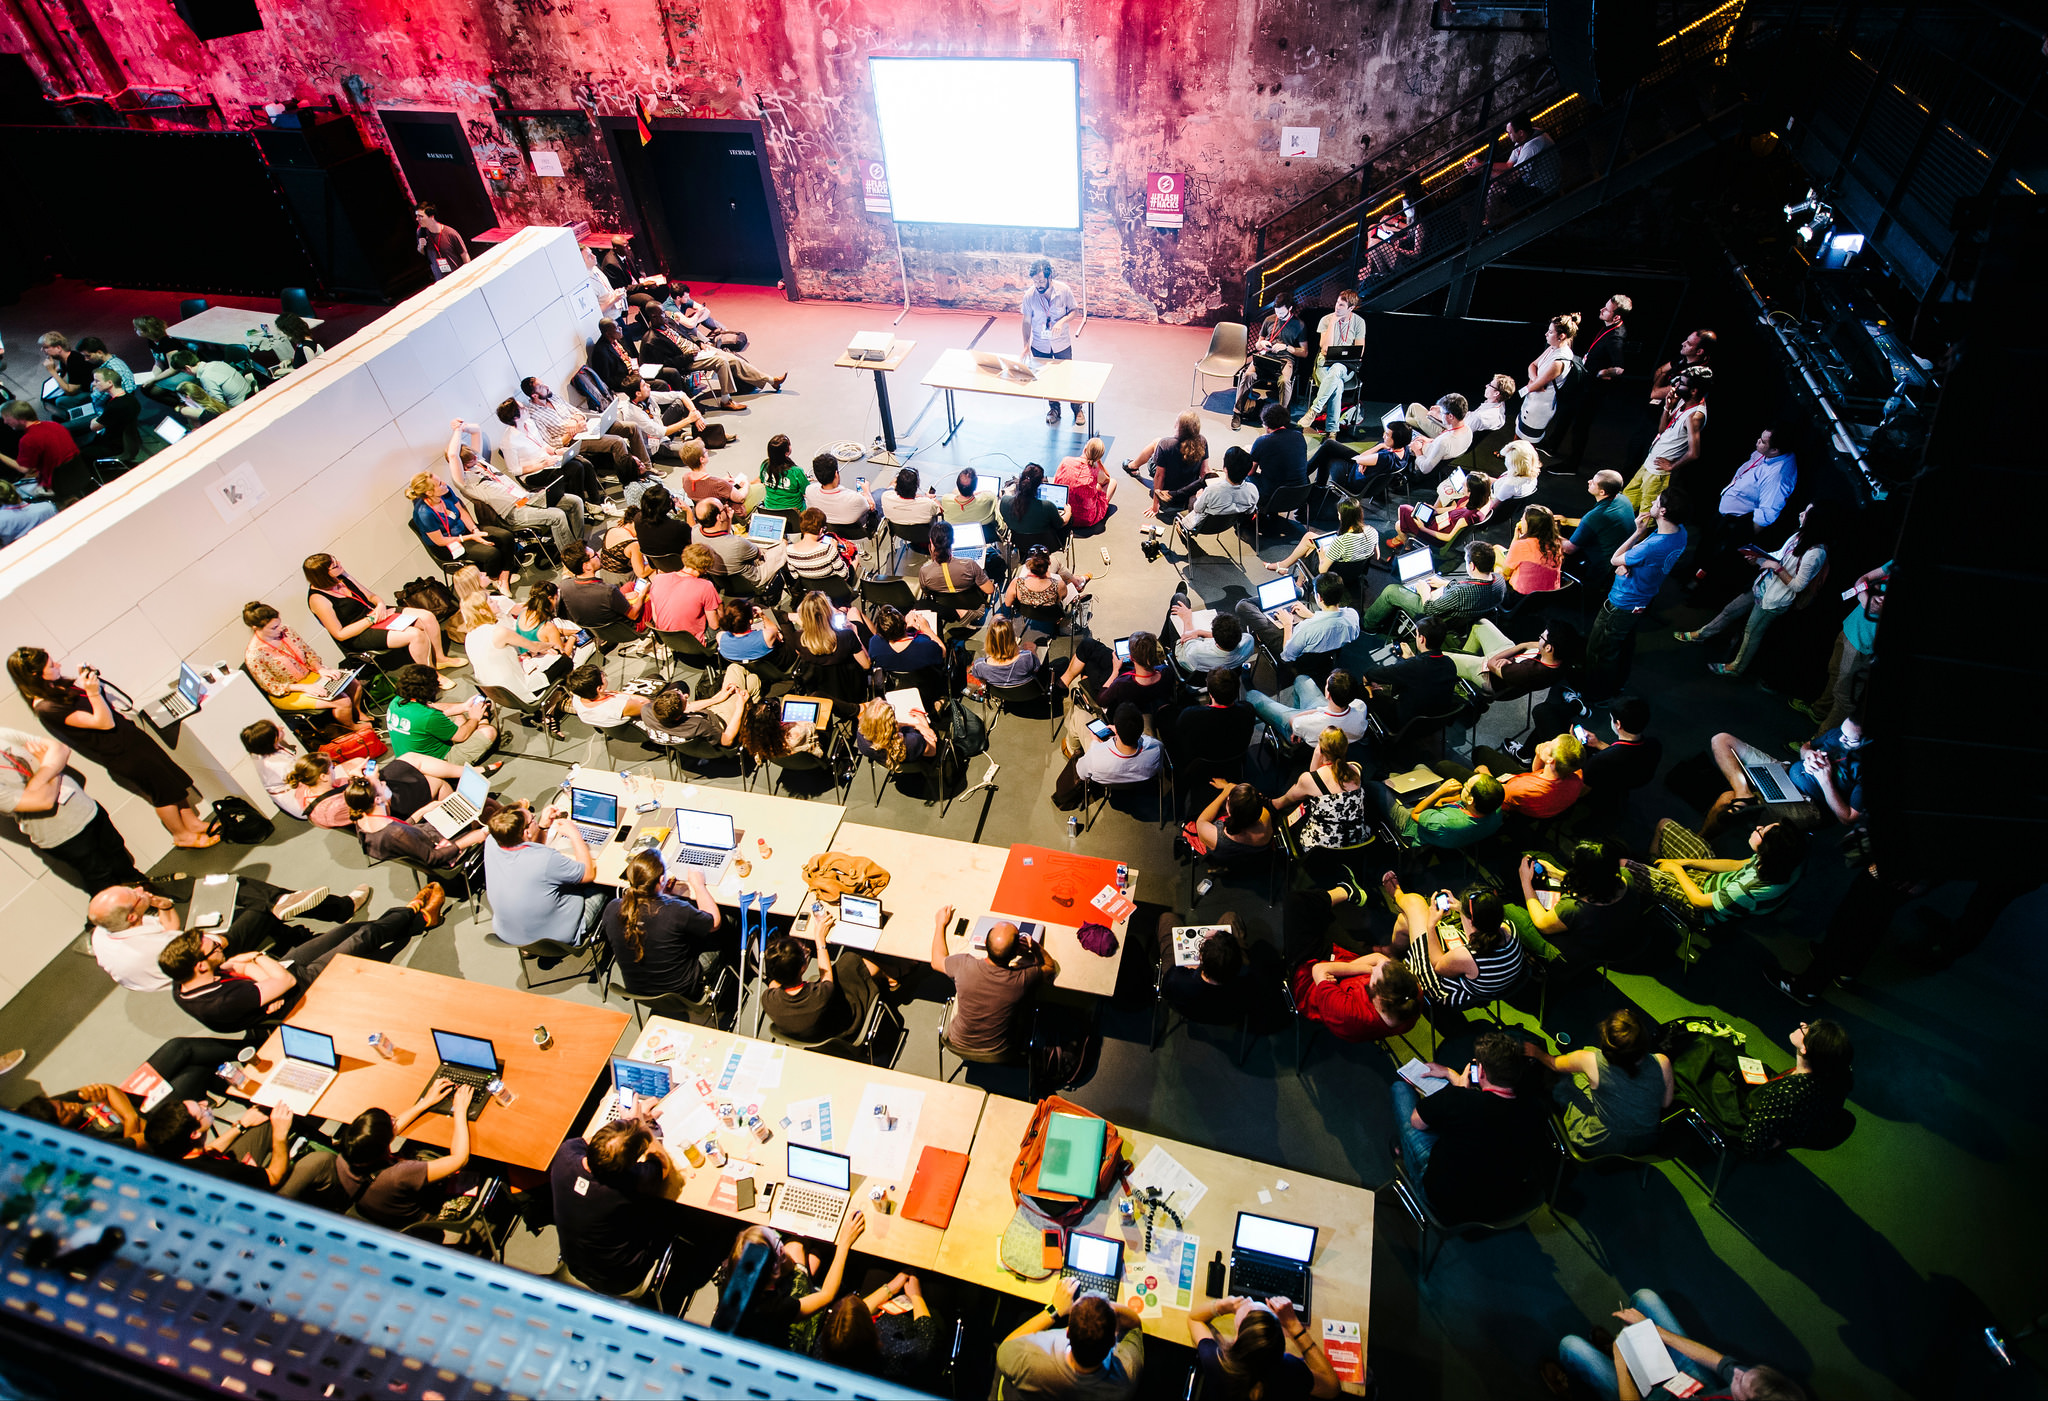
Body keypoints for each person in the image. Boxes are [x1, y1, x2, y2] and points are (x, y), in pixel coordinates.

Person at [161, 885, 444, 1033]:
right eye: (214, 948)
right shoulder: (221, 1001)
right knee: (364, 937)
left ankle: (417, 921)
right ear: (199, 965)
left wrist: (256, 971)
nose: (222, 946)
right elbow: (282, 981)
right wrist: (257, 957)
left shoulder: (183, 982)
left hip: (283, 972)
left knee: (346, 930)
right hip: (300, 989)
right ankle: (413, 913)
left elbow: (261, 975)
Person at [8, 647, 213, 847]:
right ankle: (181, 835)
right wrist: (93, 692)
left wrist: (89, 683)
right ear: (35, 674)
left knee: (170, 779)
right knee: (162, 792)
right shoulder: (47, 708)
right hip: (121, 753)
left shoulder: (58, 688)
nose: (58, 665)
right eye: (51, 665)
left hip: (131, 739)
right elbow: (104, 722)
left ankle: (192, 823)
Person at [1390, 1028, 1551, 1223]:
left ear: (1480, 1071)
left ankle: (1404, 1154)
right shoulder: (1537, 1110)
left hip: (1443, 1200)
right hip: (1500, 1203)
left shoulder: (1459, 1100)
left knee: (1400, 1090)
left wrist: (1457, 1088)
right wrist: (1451, 1075)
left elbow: (1417, 1121)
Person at [88, 877, 362, 991]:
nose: (141, 892)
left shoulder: (105, 929)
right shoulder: (147, 948)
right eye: (135, 897)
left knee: (236, 888)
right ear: (132, 917)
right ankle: (336, 908)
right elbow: (207, 948)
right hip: (205, 968)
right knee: (257, 909)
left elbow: (170, 930)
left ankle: (291, 923)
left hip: (187, 953)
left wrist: (166, 905)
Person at [1551, 1292, 1808, 1401]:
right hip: (1692, 1387)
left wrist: (1621, 1364)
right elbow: (1720, 1362)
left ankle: (1614, 1358)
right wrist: (1656, 1331)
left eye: (1740, 1382)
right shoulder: (1760, 1389)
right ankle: (1624, 1350)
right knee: (1645, 1298)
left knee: (1571, 1347)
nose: (1738, 1373)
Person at [1678, 501, 1836, 676]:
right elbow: (1779, 555)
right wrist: (1758, 559)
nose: (1801, 514)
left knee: (1751, 633)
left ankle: (1736, 668)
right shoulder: (1799, 536)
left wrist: (1776, 568)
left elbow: (1798, 585)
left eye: (1806, 513)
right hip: (1762, 586)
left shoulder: (1816, 553)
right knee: (1730, 610)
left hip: (1774, 601)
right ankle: (1701, 635)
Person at [550, 1115, 692, 1303]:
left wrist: (627, 1127)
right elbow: (662, 1163)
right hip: (623, 1279)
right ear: (629, 1167)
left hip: (576, 1265)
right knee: (676, 1210)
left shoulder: (565, 1153)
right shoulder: (627, 1185)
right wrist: (642, 1128)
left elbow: (592, 1143)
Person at [0, 728, 147, 892]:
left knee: (121, 859)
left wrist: (44, 772)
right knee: (104, 882)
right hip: (62, 834)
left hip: (86, 808)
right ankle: (132, 915)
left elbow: (60, 749)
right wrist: (50, 766)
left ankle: (151, 897)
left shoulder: (2, 734)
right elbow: (45, 801)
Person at [326, 1082, 477, 1227]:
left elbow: (387, 1133)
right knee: (478, 1163)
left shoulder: (347, 1157)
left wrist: (425, 1102)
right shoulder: (400, 1174)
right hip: (424, 1218)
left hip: (388, 1208)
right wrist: (460, 1109)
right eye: (392, 1121)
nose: (395, 1121)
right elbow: (460, 1159)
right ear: (384, 1145)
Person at [1584, 493, 1689, 696]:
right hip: (1643, 598)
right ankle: (1615, 685)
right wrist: (1629, 563)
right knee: (1621, 646)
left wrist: (1637, 532)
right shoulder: (1681, 533)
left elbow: (1615, 559)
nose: (1652, 503)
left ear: (1663, 512)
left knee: (1600, 649)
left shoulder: (1653, 545)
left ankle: (1595, 693)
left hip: (1622, 602)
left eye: (1656, 502)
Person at [1527, 1008, 1672, 1155]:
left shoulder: (1589, 1060)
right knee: (1587, 1060)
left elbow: (1554, 1063)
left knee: (1564, 1081)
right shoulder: (1662, 1062)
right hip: (1646, 1141)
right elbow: (1665, 1103)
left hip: (1603, 1140)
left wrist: (1536, 1052)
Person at [719, 1215, 866, 1352]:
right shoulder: (774, 1308)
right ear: (774, 1274)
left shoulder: (731, 1279)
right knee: (806, 1253)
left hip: (764, 1323)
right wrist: (844, 1243)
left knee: (803, 1250)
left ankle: (815, 1261)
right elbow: (827, 1294)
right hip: (789, 1342)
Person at [1702, 715, 1866, 836]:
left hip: (1810, 804)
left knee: (1726, 800)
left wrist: (1825, 781)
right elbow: (1807, 746)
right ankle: (1743, 792)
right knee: (1721, 740)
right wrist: (1808, 754)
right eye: (1842, 733)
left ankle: (1701, 841)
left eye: (1850, 740)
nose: (1841, 739)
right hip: (1786, 773)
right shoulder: (1840, 733)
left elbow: (1848, 819)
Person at [930, 900, 1055, 1057]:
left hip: (956, 1044)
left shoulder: (963, 964)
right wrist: (1035, 948)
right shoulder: (1022, 979)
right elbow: (1050, 967)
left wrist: (940, 924)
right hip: (1000, 1051)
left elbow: (936, 961)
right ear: (1016, 951)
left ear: (985, 943)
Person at [1384, 874, 1527, 1010]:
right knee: (1405, 920)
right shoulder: (1508, 928)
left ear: (1472, 921)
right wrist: (1460, 907)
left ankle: (1397, 896)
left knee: (1415, 904)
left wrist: (1431, 925)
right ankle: (1391, 951)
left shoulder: (1468, 956)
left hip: (1445, 988)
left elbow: (1437, 964)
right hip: (1494, 984)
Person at [447, 419, 586, 556]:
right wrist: (457, 431)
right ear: (464, 466)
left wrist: (463, 426)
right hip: (513, 511)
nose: (477, 460)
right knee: (557, 516)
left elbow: (476, 429)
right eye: (472, 461)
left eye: (476, 457)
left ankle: (577, 547)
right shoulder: (465, 481)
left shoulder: (480, 463)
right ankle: (571, 559)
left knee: (574, 501)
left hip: (527, 498)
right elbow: (453, 455)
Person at [1510, 842, 1656, 971]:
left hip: (1578, 954)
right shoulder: (1625, 876)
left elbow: (1542, 924)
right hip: (1620, 937)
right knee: (1546, 859)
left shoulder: (1574, 908)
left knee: (1508, 908)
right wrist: (1558, 874)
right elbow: (1596, 884)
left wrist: (1525, 881)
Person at [600, 849, 721, 1003]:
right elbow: (714, 922)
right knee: (728, 923)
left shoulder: (612, 908)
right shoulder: (675, 911)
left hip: (638, 992)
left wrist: (662, 895)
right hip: (681, 992)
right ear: (662, 879)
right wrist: (698, 885)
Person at [303, 552, 458, 669]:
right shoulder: (318, 599)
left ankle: (441, 659)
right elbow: (340, 634)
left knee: (427, 617)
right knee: (415, 634)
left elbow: (371, 596)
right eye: (335, 565)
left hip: (374, 613)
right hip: (359, 632)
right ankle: (431, 675)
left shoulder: (341, 576)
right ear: (324, 575)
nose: (340, 564)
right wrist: (371, 619)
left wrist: (380, 606)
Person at [997, 1278, 1145, 1399]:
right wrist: (1105, 1308)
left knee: (1024, 1314)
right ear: (1113, 1341)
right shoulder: (1125, 1377)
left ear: (1067, 1333)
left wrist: (1054, 1309)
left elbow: (1004, 1348)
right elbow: (1134, 1326)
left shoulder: (1028, 1358)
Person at [482, 801, 605, 948]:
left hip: (510, 935)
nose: (535, 818)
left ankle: (529, 950)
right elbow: (587, 873)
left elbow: (530, 848)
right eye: (532, 819)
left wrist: (542, 827)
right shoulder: (545, 859)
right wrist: (575, 835)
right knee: (602, 884)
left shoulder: (492, 841)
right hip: (557, 937)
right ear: (526, 832)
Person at [763, 909, 890, 1043]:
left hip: (815, 1031)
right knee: (851, 961)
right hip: (844, 1027)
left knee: (846, 967)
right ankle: (891, 975)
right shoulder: (820, 995)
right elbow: (826, 974)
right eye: (804, 953)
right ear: (802, 968)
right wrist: (820, 939)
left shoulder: (768, 1000)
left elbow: (774, 983)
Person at [1793, 559, 1888, 737]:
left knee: (1844, 697)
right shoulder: (1898, 563)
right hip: (1851, 628)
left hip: (1864, 644)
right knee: (1834, 671)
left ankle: (1818, 744)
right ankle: (1819, 711)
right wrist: (1864, 597)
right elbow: (1864, 578)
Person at [242, 602, 371, 732]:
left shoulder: (287, 630)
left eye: (279, 623)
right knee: (342, 701)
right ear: (256, 628)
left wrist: (320, 669)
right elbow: (271, 686)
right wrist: (304, 688)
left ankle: (357, 712)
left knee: (353, 683)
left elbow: (308, 653)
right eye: (274, 628)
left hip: (309, 675)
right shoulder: (254, 654)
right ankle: (352, 728)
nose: (280, 628)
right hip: (288, 691)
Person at [1652, 820, 1809, 926]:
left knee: (1627, 865)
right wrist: (1688, 862)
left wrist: (1676, 869)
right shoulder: (1786, 861)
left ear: (1767, 850)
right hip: (1718, 882)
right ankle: (1650, 862)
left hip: (1703, 907)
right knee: (1664, 824)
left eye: (1761, 832)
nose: (1757, 827)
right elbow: (1737, 865)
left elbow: (1698, 901)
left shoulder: (1746, 890)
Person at [1187, 1294, 1340, 1400]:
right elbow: (1332, 1388)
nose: (1250, 1300)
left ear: (1235, 1341)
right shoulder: (1292, 1370)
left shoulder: (1218, 1361)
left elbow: (1194, 1319)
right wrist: (1293, 1325)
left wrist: (1221, 1306)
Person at [1740, 1019, 1852, 1154]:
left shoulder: (1788, 1093)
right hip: (1790, 1120)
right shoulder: (1834, 1077)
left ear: (1805, 1048)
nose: (1803, 1024)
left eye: (1806, 1029)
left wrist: (1779, 1142)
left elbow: (1751, 1140)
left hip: (1748, 1125)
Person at [1359, 540, 1504, 642]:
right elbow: (1468, 587)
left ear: (1472, 566)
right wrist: (1446, 583)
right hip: (1462, 613)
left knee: (1391, 591)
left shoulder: (1460, 593)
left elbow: (1430, 610)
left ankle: (1368, 625)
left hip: (1440, 616)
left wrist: (1424, 591)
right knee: (1432, 583)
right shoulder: (1499, 580)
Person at [144, 1097, 296, 1191]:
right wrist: (280, 1134)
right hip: (262, 1209)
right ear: (195, 1133)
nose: (205, 1103)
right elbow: (274, 1177)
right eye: (201, 1109)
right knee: (316, 1163)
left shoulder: (172, 1153)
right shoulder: (219, 1172)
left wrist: (241, 1125)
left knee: (265, 1122)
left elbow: (208, 1151)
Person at [813, 1276, 942, 1386]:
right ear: (869, 1327)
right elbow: (926, 1339)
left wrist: (889, 1288)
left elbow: (851, 1320)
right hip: (911, 1326)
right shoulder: (889, 1355)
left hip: (891, 1316)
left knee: (876, 1275)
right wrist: (916, 1296)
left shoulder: (823, 1347)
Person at [1292, 942, 1423, 1044]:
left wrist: (1360, 968)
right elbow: (1379, 958)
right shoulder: (1411, 994)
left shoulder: (1348, 1012)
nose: (1374, 969)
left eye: (1374, 974)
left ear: (1375, 990)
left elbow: (1318, 969)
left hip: (1311, 985)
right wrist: (1362, 969)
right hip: (1339, 969)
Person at [1621, 366, 1710, 514]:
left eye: (1681, 384)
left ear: (1694, 391)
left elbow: (1694, 453)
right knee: (1626, 503)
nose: (1676, 386)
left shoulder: (1695, 416)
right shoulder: (1683, 401)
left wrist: (1671, 466)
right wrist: (1668, 407)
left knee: (1646, 516)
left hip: (1658, 474)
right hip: (1649, 463)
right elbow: (1662, 430)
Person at [1557, 295, 1630, 470]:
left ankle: (1572, 465)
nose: (1601, 310)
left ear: (1617, 317)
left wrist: (1603, 372)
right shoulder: (1608, 327)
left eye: (1606, 309)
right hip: (1585, 384)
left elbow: (1620, 368)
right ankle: (1552, 445)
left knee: (1580, 426)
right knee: (1567, 412)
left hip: (1593, 391)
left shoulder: (1616, 337)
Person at [406, 472, 514, 587]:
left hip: (464, 531)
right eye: (439, 484)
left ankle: (504, 576)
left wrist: (474, 530)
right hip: (447, 545)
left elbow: (461, 512)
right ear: (429, 492)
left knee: (505, 536)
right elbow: (440, 541)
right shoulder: (424, 513)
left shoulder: (445, 492)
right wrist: (472, 537)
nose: (444, 483)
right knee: (492, 553)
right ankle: (493, 579)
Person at [1270, 729, 1368, 853]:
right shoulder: (1356, 770)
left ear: (1321, 749)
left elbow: (1290, 798)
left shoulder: (1310, 780)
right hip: (1356, 843)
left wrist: (1316, 756)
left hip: (1320, 851)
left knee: (1288, 808)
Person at [1052, 703, 1162, 810]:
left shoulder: (1095, 755)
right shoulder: (1156, 748)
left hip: (1103, 775)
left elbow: (1081, 774)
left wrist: (1095, 742)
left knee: (1079, 715)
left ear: (1117, 730)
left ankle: (1070, 748)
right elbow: (1146, 740)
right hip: (1139, 783)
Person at [387, 663, 498, 764]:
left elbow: (429, 710)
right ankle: (484, 720)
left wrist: (464, 707)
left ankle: (476, 719)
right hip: (438, 763)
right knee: (489, 732)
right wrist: (475, 718)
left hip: (409, 761)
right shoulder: (428, 716)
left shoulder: (396, 702)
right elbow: (461, 736)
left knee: (456, 713)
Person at [1021, 257, 1087, 424]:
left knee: (1067, 376)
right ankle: (1054, 409)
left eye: (1041, 280)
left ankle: (1077, 409)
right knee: (1047, 378)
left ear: (1050, 277)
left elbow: (1074, 311)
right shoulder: (1029, 296)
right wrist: (1025, 345)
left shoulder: (1063, 290)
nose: (1038, 284)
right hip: (1040, 345)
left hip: (1061, 343)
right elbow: (1026, 322)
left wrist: (1062, 321)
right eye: (1035, 281)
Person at [1359, 617, 1459, 726]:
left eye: (1416, 634)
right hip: (1436, 721)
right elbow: (1425, 673)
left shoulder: (1412, 666)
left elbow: (1370, 673)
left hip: (1407, 722)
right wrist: (1412, 657)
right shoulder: (1450, 664)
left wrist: (1366, 681)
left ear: (1421, 639)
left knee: (1362, 690)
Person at [1369, 771, 1505, 850]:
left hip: (1413, 828)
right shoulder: (1495, 807)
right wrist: (1443, 799)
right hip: (1448, 828)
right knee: (1420, 769)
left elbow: (1416, 814)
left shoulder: (1444, 821)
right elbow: (1459, 802)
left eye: (1466, 787)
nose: (1463, 785)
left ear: (1471, 800)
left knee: (1375, 787)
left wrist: (1439, 793)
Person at [1233, 290, 1308, 429]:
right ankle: (1237, 412)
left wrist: (1286, 347)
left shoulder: (1299, 325)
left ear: (1290, 308)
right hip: (1265, 356)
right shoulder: (1269, 320)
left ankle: (1282, 419)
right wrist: (1261, 344)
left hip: (1285, 360)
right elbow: (1257, 343)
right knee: (1248, 375)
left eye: (1281, 313)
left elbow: (1304, 352)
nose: (1278, 316)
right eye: (1276, 312)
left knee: (1285, 381)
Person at [1248, 667, 1367, 747]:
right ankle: (1297, 711)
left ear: (1328, 694)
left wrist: (1311, 713)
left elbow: (1293, 720)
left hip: (1303, 729)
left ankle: (1283, 737)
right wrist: (1319, 710)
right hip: (1321, 715)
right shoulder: (1361, 706)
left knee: (1253, 696)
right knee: (1301, 679)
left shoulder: (1309, 722)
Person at [1559, 468, 1634, 594]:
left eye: (1593, 482)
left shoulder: (1596, 516)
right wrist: (1567, 521)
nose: (1589, 481)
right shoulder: (1622, 499)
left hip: (1600, 563)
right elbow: (1592, 524)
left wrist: (1549, 531)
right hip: (1620, 553)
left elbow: (1569, 549)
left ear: (1602, 492)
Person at [1303, 288, 1367, 432]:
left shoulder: (1359, 322)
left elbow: (1359, 351)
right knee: (1336, 385)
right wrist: (1333, 323)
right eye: (1337, 303)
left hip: (1346, 367)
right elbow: (1325, 348)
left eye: (1341, 305)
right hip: (1324, 364)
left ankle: (1315, 409)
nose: (1337, 307)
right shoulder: (1326, 320)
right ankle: (1332, 431)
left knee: (1337, 369)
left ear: (1350, 308)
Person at [1123, 410, 1209, 517]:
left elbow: (1160, 476)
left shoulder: (1166, 444)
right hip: (1188, 492)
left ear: (1179, 426)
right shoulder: (1202, 441)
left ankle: (1132, 466)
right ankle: (1133, 466)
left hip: (1168, 494)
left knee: (1156, 442)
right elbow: (1205, 472)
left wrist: (1155, 505)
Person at [1466, 111, 1560, 207]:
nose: (1507, 136)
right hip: (1530, 184)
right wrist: (1482, 164)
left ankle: (1490, 220)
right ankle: (1488, 220)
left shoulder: (1532, 145)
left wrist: (1483, 170)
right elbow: (1508, 165)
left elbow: (1512, 179)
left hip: (1543, 191)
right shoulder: (1525, 136)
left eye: (1509, 133)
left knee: (1495, 189)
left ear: (1520, 133)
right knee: (1494, 186)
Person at [1265, 501, 1378, 580]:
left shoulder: (1341, 542)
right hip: (1355, 572)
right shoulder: (1372, 531)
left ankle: (1297, 581)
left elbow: (1322, 570)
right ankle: (1284, 566)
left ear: (1344, 517)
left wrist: (1322, 556)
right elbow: (1376, 556)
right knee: (1310, 537)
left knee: (1308, 549)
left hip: (1337, 574)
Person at [1515, 313, 1579, 445]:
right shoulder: (1552, 348)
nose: (1546, 334)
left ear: (1561, 336)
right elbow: (1532, 365)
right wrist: (1535, 379)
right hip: (1531, 401)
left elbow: (1536, 386)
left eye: (1550, 332)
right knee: (1519, 431)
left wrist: (1528, 387)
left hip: (1539, 408)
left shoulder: (1559, 361)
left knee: (1526, 443)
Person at [1309, 418, 1413, 498]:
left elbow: (1360, 458)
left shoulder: (1386, 458)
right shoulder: (1405, 449)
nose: (1383, 436)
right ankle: (1318, 485)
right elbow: (1364, 459)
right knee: (1330, 444)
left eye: (1387, 435)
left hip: (1351, 481)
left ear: (1397, 439)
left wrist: (1379, 447)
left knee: (1327, 454)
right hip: (1366, 477)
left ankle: (1316, 486)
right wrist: (1365, 461)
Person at [0, 400, 83, 500]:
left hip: (57, 485)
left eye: (7, 418)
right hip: (79, 473)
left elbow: (25, 469)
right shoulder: (54, 425)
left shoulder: (28, 440)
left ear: (19, 419)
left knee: (12, 494)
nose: (5, 422)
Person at [559, 540, 648, 631]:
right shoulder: (608, 591)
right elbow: (634, 615)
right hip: (627, 629)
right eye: (594, 555)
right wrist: (642, 595)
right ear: (586, 566)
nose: (598, 554)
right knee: (652, 594)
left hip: (599, 627)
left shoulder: (564, 586)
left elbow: (596, 601)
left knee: (629, 585)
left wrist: (623, 597)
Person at [1175, 445, 1259, 537]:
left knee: (1192, 498)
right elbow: (1250, 511)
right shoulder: (1253, 490)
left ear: (1225, 469)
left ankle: (1183, 526)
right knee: (1210, 476)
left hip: (1203, 527)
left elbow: (1197, 509)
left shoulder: (1212, 491)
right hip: (1228, 523)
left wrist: (1199, 497)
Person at [1396, 471, 1493, 546]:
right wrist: (1436, 510)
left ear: (1470, 492)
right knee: (1404, 510)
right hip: (1440, 522)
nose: (1461, 487)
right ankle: (1406, 533)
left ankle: (1408, 546)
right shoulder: (1484, 499)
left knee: (1399, 522)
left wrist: (1423, 528)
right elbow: (1456, 508)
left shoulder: (1468, 516)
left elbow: (1448, 537)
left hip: (1436, 535)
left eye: (1464, 486)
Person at [1166, 598, 1256, 675]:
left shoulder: (1197, 651)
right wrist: (1200, 632)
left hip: (1188, 666)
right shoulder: (1249, 640)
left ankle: (1164, 644)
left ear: (1214, 638)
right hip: (1226, 671)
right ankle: (1163, 641)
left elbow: (1188, 636)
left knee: (1179, 599)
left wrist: (1187, 618)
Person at [1188, 779, 1274, 856]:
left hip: (1225, 863)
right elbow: (1247, 804)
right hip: (1251, 864)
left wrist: (1225, 792)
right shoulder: (1265, 817)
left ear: (1228, 810)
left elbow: (1201, 821)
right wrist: (1229, 788)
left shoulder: (1217, 838)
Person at [1248, 401, 1310, 507]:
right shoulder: (1299, 436)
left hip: (1273, 498)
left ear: (1266, 425)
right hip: (1300, 495)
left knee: (1245, 479)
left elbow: (1250, 471)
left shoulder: (1262, 441)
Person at [1000, 462, 1071, 548]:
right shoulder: (1048, 506)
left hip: (1018, 544)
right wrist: (1068, 512)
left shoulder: (1004, 501)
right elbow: (1061, 523)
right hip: (1045, 546)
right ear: (1040, 484)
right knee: (1070, 519)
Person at [84, 367, 142, 466]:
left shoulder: (114, 406)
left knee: (82, 452)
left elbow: (93, 427)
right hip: (130, 441)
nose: (94, 384)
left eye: (97, 381)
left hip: (114, 446)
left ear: (110, 383)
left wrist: (96, 419)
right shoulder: (131, 399)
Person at [785, 507, 856, 587]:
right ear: (820, 530)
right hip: (834, 588)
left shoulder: (789, 550)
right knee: (855, 557)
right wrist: (835, 551)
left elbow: (795, 576)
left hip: (810, 588)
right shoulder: (828, 550)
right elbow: (844, 575)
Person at [1054, 439, 1116, 528]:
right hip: (1085, 519)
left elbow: (1056, 481)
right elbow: (1107, 479)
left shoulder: (1066, 460)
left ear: (1085, 448)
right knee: (1113, 482)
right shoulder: (1096, 472)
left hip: (1062, 512)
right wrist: (1098, 462)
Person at [1410, 393, 1474, 480]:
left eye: (1442, 412)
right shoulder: (1468, 430)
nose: (1440, 415)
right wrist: (1430, 440)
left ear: (1451, 416)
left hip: (1423, 454)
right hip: (1433, 448)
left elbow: (1425, 469)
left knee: (1398, 440)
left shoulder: (1444, 442)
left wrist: (1417, 451)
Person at [804, 454, 874, 529]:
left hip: (827, 527)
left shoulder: (809, 490)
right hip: (854, 532)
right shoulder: (855, 498)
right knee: (879, 493)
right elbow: (871, 507)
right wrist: (867, 491)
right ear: (836, 474)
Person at [632, 480, 692, 560]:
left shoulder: (637, 518)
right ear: (668, 505)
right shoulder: (678, 526)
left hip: (655, 562)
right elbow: (694, 538)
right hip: (681, 562)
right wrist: (689, 511)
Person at [757, 434, 810, 520]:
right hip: (794, 515)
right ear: (786, 452)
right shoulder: (796, 472)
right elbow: (807, 492)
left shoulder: (765, 465)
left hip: (770, 511)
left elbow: (762, 481)